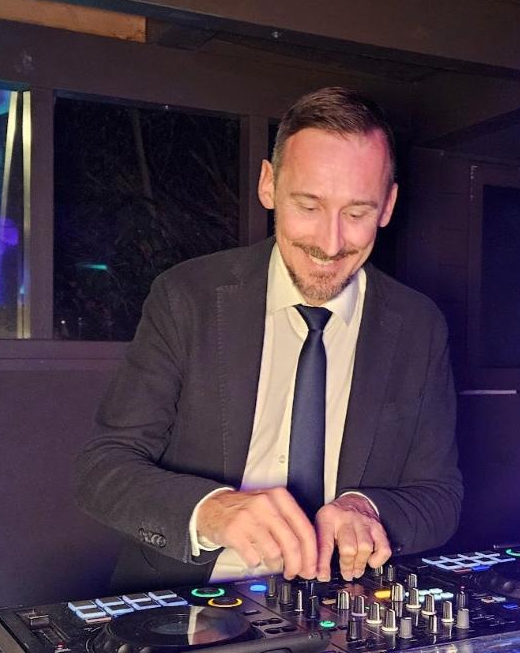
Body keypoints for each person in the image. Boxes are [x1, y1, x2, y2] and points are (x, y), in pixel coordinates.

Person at [75, 87, 461, 591]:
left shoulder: (419, 325)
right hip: (186, 596)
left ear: (387, 205)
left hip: (343, 601)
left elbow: (440, 495)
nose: (330, 243)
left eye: (357, 213)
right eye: (308, 206)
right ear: (268, 185)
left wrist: (368, 508)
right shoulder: (186, 295)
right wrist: (212, 511)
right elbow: (103, 468)